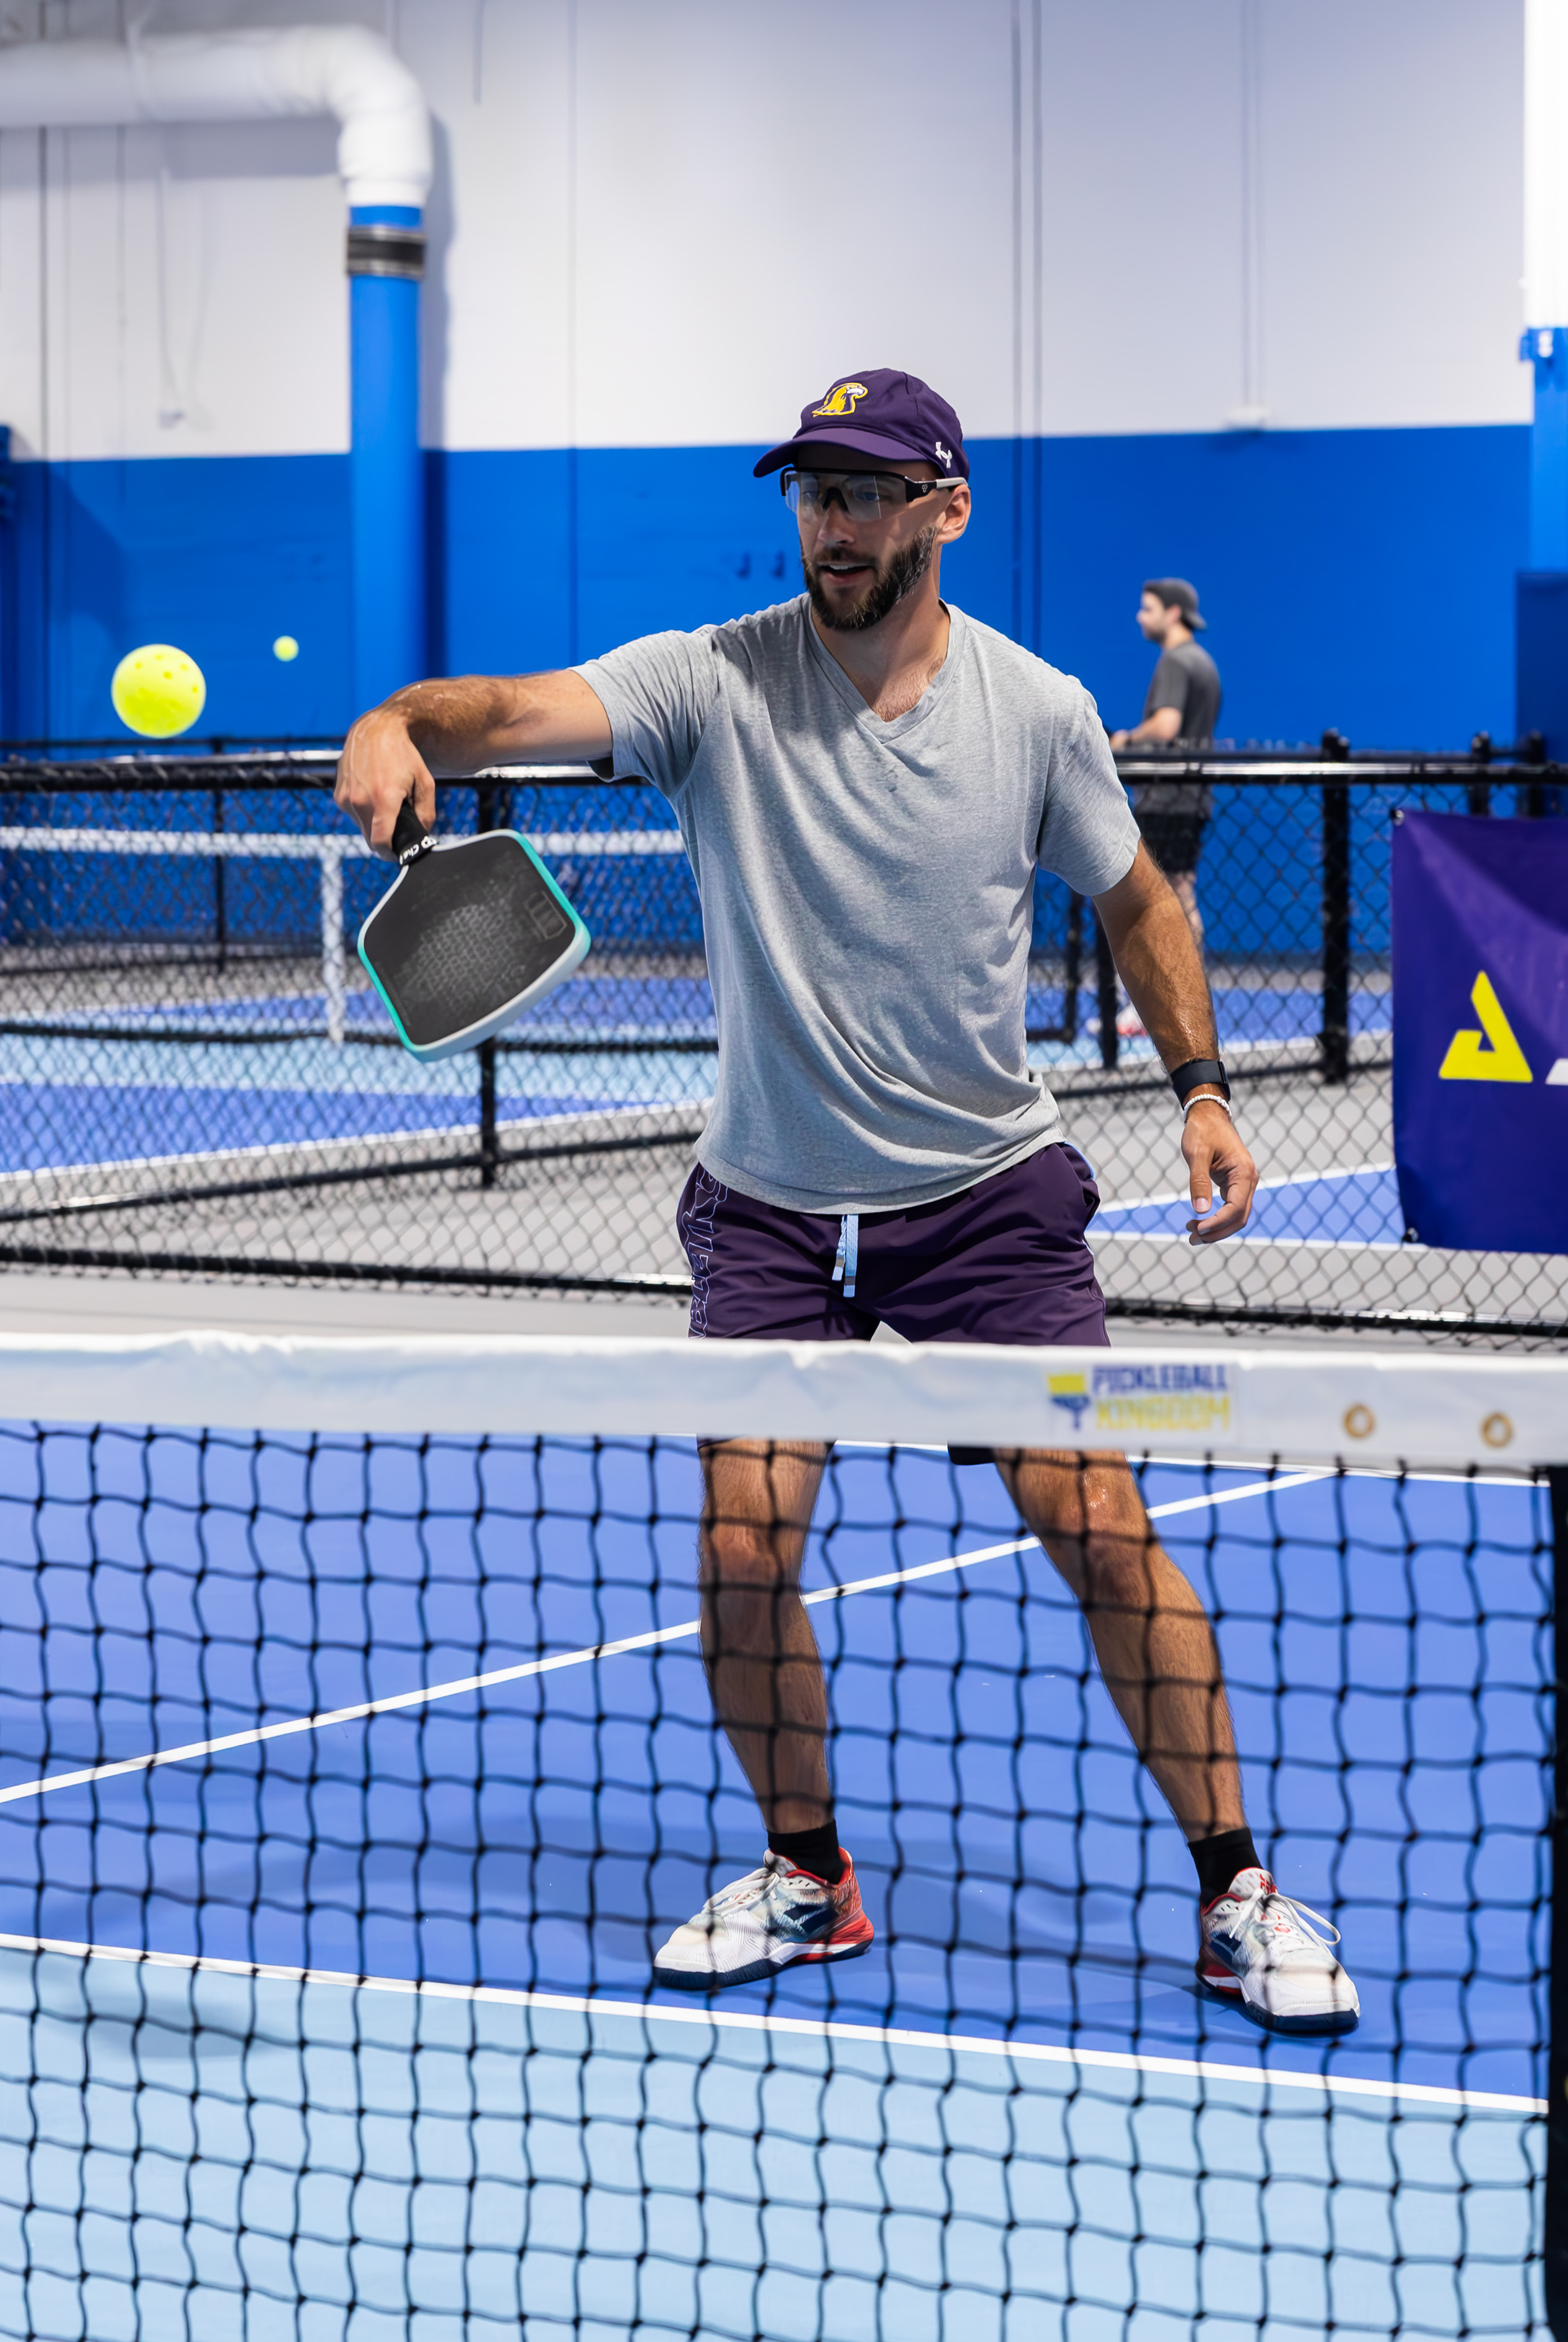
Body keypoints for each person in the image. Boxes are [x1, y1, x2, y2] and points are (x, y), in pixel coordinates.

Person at [334, 366, 1358, 2040]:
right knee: (740, 1544)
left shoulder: (1032, 709)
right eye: (813, 491)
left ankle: (1235, 1884)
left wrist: (1199, 1090)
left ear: (943, 509)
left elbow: (1135, 898)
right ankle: (808, 1872)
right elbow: (496, 713)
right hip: (768, 1210)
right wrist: (394, 719)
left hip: (981, 1200)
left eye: (870, 491)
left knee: (1094, 1524)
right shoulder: (708, 682)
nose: (834, 521)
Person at [1110, 579, 1222, 956]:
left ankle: (1165, 1001)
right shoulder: (1204, 663)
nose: (1140, 618)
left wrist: (1126, 739)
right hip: (1191, 799)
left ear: (1173, 613)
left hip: (1167, 801)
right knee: (1180, 889)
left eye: (1148, 609)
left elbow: (1166, 725)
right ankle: (1189, 995)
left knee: (1160, 897)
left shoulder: (1176, 661)